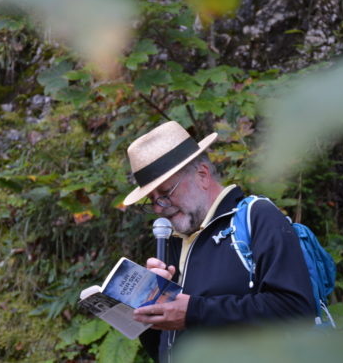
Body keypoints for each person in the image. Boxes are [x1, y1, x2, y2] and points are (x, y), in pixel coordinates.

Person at [122, 121, 316, 362]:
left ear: (202, 175)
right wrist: (148, 311)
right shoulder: (172, 240)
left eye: (165, 193)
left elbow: (296, 311)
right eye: (151, 200)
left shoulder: (257, 217)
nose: (160, 208)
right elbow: (164, 349)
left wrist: (194, 312)